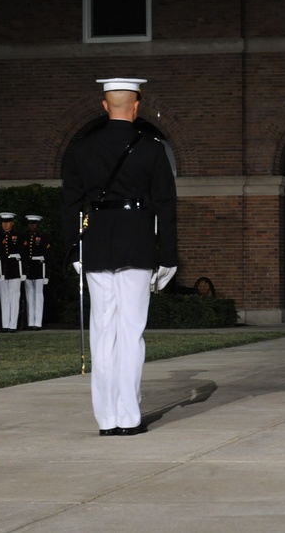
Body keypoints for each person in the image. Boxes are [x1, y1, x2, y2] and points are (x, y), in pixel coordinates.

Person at [62, 77, 178, 437]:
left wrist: (72, 248)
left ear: (104, 105)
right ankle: (128, 416)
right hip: (136, 244)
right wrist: (169, 256)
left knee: (102, 332)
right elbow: (165, 206)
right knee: (130, 333)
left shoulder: (81, 148)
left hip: (96, 245)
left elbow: (68, 204)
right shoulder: (151, 148)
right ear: (137, 106)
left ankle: (106, 418)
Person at [22, 214, 51, 330]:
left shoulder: (43, 237)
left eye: (34, 224)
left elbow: (48, 257)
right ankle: (30, 322)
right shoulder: (25, 237)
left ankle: (37, 322)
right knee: (29, 296)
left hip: (39, 268)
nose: (32, 226)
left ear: (38, 225)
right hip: (29, 268)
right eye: (30, 224)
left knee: (38, 296)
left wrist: (47, 274)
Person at [0, 212, 24, 332]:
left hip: (15, 268)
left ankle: (13, 325)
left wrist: (23, 272)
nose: (5, 224)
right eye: (3, 222)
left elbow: (23, 254)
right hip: (3, 269)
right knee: (4, 297)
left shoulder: (18, 235)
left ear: (12, 223)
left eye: (7, 222)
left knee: (14, 296)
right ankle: (5, 324)